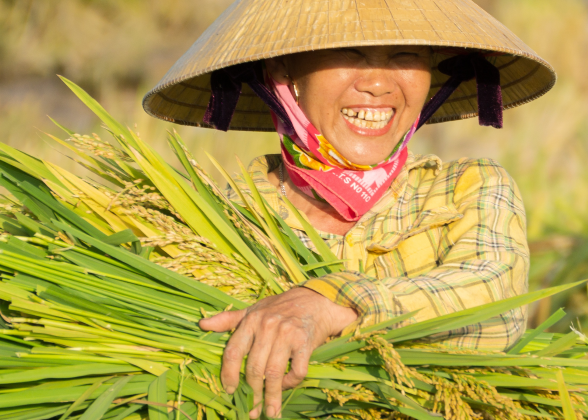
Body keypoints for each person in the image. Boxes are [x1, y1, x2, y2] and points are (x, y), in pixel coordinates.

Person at [141, 1, 555, 418]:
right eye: (347, 52)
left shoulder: (467, 188)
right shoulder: (221, 216)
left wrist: (329, 305)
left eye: (406, 54)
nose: (378, 84)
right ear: (284, 71)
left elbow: (494, 310)